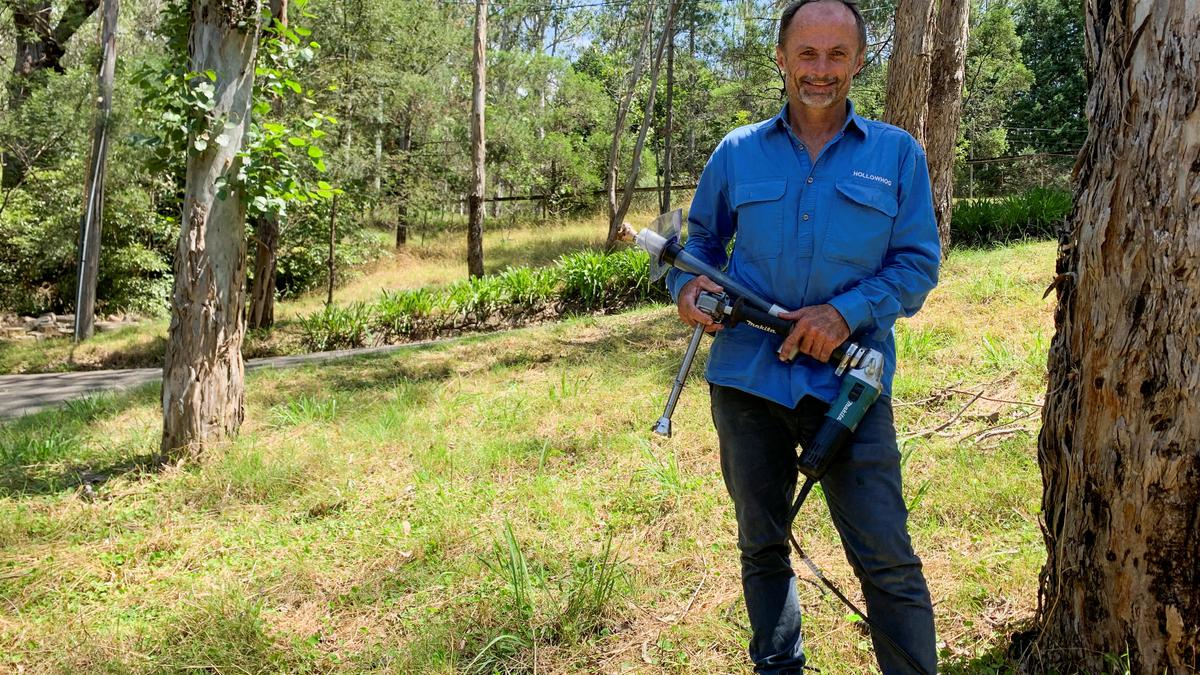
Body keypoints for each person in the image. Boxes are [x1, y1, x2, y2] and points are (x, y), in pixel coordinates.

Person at [664, 0, 942, 673]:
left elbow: (917, 262)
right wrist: (688, 291)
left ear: (859, 60)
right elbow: (698, 243)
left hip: (852, 386)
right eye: (807, 54)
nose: (821, 70)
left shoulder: (897, 155)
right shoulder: (736, 151)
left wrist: (844, 313)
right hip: (746, 382)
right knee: (763, 544)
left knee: (887, 555)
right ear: (783, 58)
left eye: (837, 54)